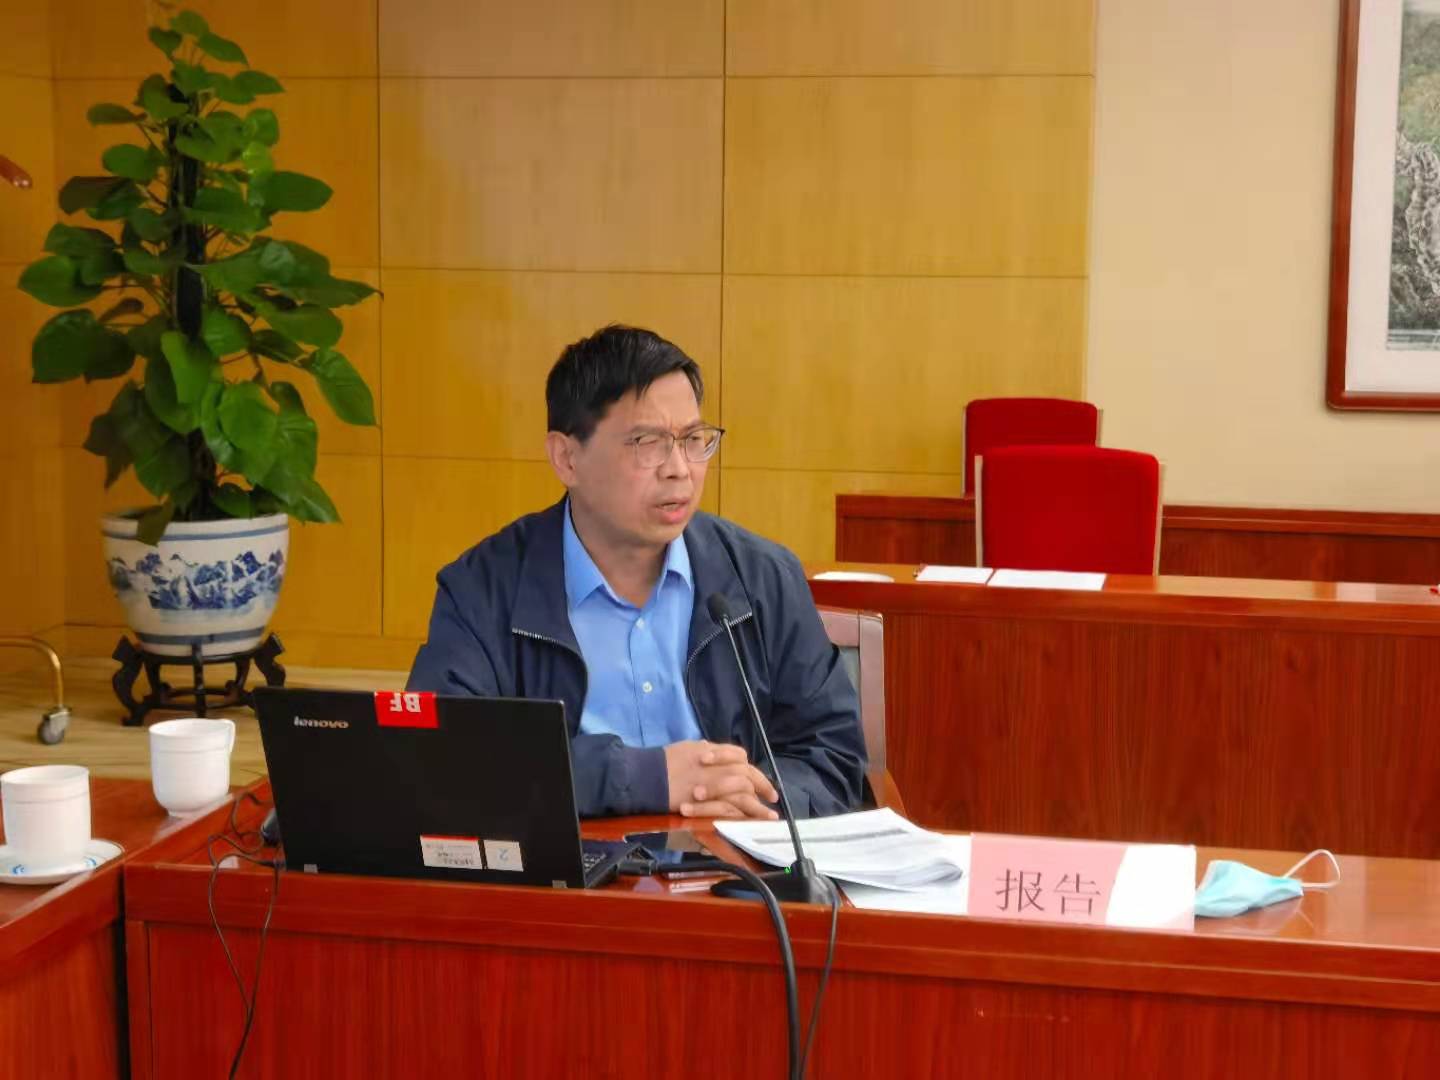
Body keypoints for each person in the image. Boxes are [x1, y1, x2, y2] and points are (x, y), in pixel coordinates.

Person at [407, 325, 866, 820]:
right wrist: (646, 777)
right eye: (648, 442)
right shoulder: (483, 589)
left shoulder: (763, 578)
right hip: (570, 865)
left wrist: (744, 798)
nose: (679, 469)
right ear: (567, 458)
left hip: (733, 862)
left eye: (693, 439)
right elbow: (444, 760)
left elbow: (833, 759)